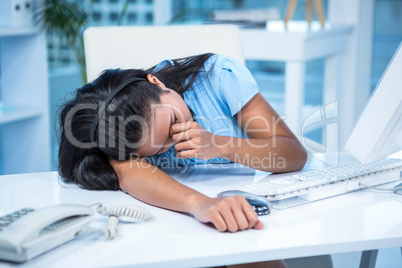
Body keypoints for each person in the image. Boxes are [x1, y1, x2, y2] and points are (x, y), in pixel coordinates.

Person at [58, 53, 306, 268]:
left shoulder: (219, 78)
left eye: (174, 124)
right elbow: (127, 172)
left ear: (156, 81)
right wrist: (200, 204)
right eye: (156, 151)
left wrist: (221, 145)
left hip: (244, 219)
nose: (173, 143)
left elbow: (294, 153)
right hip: (176, 228)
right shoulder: (122, 136)